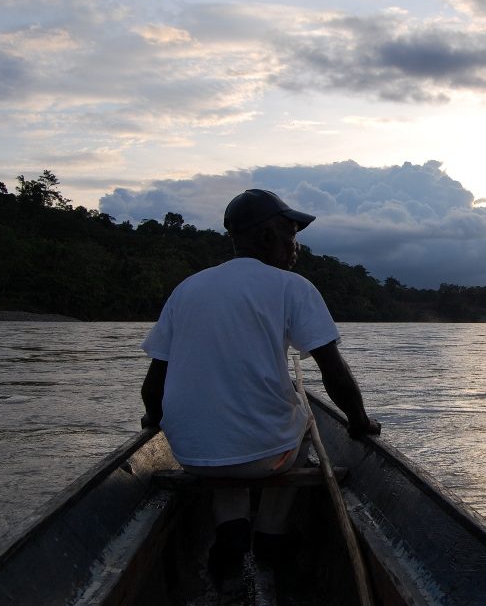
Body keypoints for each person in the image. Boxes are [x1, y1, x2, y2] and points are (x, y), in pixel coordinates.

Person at [139, 188, 381, 590]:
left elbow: (153, 386)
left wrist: (153, 420)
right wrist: (359, 422)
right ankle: (270, 533)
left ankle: (231, 529)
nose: (295, 248)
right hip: (266, 456)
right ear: (269, 237)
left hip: (194, 457)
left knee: (225, 444)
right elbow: (333, 372)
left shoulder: (187, 289)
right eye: (291, 237)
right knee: (305, 422)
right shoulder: (292, 287)